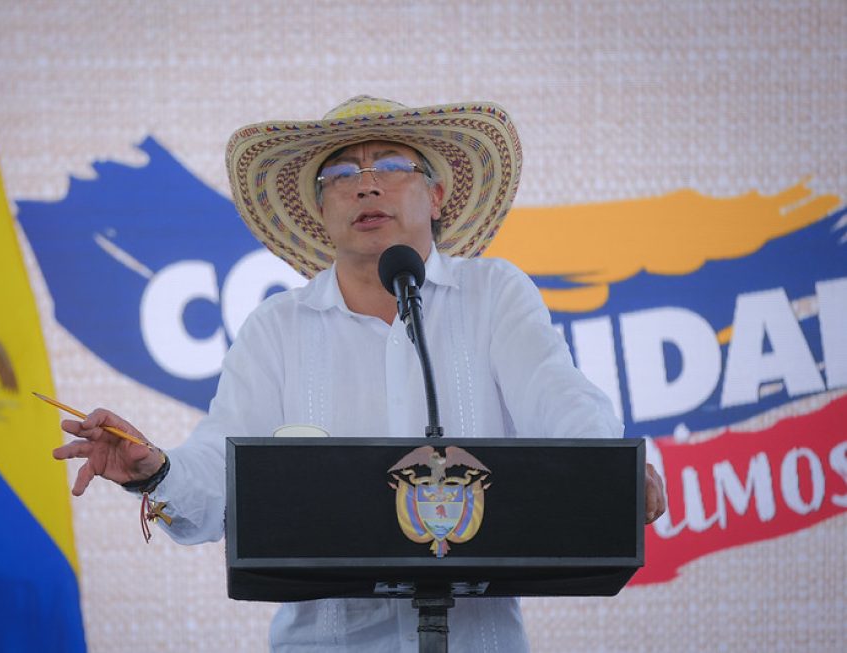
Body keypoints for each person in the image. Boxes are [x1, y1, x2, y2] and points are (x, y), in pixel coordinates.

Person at [54, 96, 667, 652]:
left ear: (436, 196)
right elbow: (221, 469)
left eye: (393, 166)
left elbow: (556, 396)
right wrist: (155, 470)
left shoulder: (493, 294)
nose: (366, 186)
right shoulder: (278, 327)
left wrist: (605, 468)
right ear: (321, 209)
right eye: (342, 174)